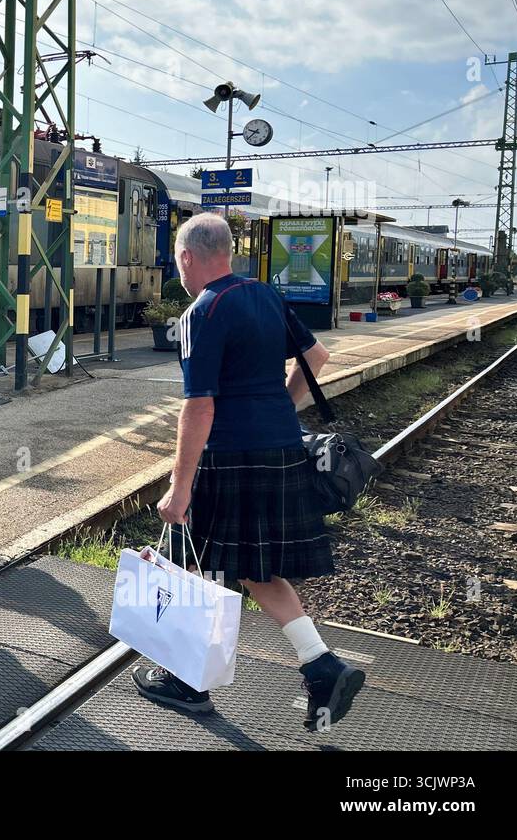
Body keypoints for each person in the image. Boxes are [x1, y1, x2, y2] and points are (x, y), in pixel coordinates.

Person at [140, 212, 365, 733]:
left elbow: (199, 407)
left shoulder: (203, 311)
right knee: (253, 567)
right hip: (281, 449)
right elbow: (318, 355)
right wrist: (283, 411)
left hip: (230, 458)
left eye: (178, 260)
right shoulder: (265, 295)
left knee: (194, 561)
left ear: (188, 257)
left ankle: (188, 681)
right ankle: (322, 666)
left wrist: (180, 487)